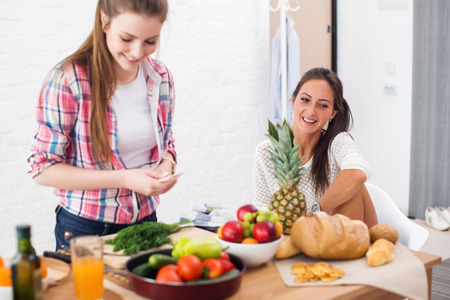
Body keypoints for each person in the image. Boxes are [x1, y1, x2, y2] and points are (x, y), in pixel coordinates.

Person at [28, 0, 178, 250]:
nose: (138, 52)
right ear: (104, 21)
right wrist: (125, 179)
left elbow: (167, 140)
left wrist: (168, 163)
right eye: (127, 38)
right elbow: (42, 168)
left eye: (150, 41)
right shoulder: (69, 80)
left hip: (146, 223)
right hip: (86, 229)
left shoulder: (160, 78)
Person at [253, 67, 378, 228]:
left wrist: (315, 211)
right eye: (305, 100)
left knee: (355, 188)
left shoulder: (338, 142)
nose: (311, 111)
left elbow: (358, 174)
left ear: (333, 113)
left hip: (339, 235)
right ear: (293, 100)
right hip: (291, 237)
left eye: (323, 105)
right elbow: (260, 207)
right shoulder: (266, 151)